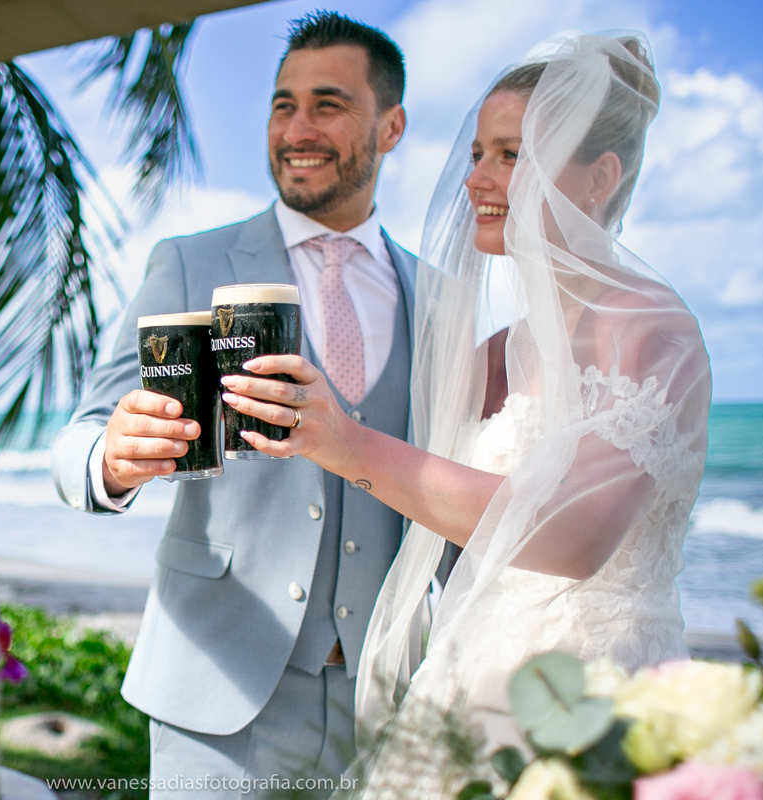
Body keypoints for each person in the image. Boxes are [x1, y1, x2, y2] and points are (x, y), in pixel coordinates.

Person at [222, 30, 712, 782]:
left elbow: (577, 536)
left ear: (599, 178)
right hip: (465, 677)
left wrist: (350, 445)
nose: (476, 178)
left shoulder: (648, 327)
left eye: (511, 156)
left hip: (590, 690)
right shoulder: (494, 354)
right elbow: (451, 540)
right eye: (479, 152)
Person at [52, 11, 424, 798]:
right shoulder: (191, 262)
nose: (297, 129)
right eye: (283, 105)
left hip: (387, 701)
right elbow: (81, 436)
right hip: (217, 693)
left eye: (328, 105)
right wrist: (111, 460)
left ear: (390, 126)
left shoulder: (437, 296)